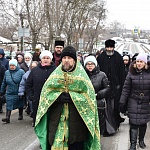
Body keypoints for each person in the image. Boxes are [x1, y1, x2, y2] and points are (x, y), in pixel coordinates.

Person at [34, 46, 101, 150]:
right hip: (56, 123)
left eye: (69, 58)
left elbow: (89, 99)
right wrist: (58, 97)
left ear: (74, 60)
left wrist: (73, 96)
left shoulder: (82, 77)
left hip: (76, 125)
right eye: (64, 58)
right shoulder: (55, 76)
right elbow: (46, 95)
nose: (66, 61)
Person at [119, 53, 150, 150]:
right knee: (133, 123)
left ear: (145, 63)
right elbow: (126, 88)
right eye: (138, 61)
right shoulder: (131, 73)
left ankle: (141, 140)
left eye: (141, 61)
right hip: (133, 100)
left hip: (145, 101)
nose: (139, 63)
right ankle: (133, 144)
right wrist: (122, 101)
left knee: (143, 123)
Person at [97, 39, 125, 130]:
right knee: (104, 107)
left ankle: (115, 124)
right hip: (103, 86)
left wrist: (121, 85)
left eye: (111, 47)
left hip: (116, 86)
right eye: (108, 47)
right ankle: (105, 126)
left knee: (115, 106)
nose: (109, 49)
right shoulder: (101, 57)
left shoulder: (118, 57)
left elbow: (122, 73)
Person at [25, 50, 56, 127]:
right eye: (44, 58)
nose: (45, 60)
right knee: (39, 123)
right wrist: (31, 96)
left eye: (48, 58)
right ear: (41, 59)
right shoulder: (35, 70)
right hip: (37, 99)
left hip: (52, 100)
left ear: (51, 59)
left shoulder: (55, 70)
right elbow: (28, 84)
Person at [84, 55, 111, 135]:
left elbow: (107, 88)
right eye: (88, 64)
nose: (90, 66)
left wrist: (98, 94)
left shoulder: (102, 75)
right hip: (85, 103)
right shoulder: (82, 75)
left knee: (98, 125)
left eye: (91, 64)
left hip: (98, 103)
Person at [0, 59, 25, 123]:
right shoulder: (7, 72)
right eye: (10, 65)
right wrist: (2, 91)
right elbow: (4, 82)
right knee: (9, 104)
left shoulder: (21, 72)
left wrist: (23, 91)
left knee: (20, 103)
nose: (12, 67)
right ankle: (7, 118)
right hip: (9, 91)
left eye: (13, 65)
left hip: (18, 91)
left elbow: (24, 82)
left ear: (16, 65)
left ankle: (20, 114)